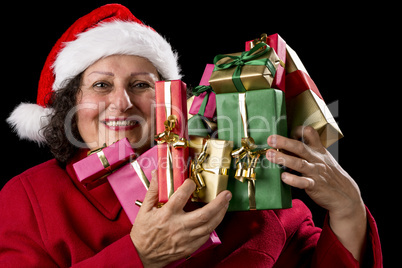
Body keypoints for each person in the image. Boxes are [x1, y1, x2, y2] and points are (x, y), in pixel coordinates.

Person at [0, 4, 382, 268]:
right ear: (69, 106)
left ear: (172, 102)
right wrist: (138, 255)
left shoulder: (246, 176)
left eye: (140, 85)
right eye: (101, 85)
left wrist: (348, 209)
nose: (122, 103)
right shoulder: (29, 198)